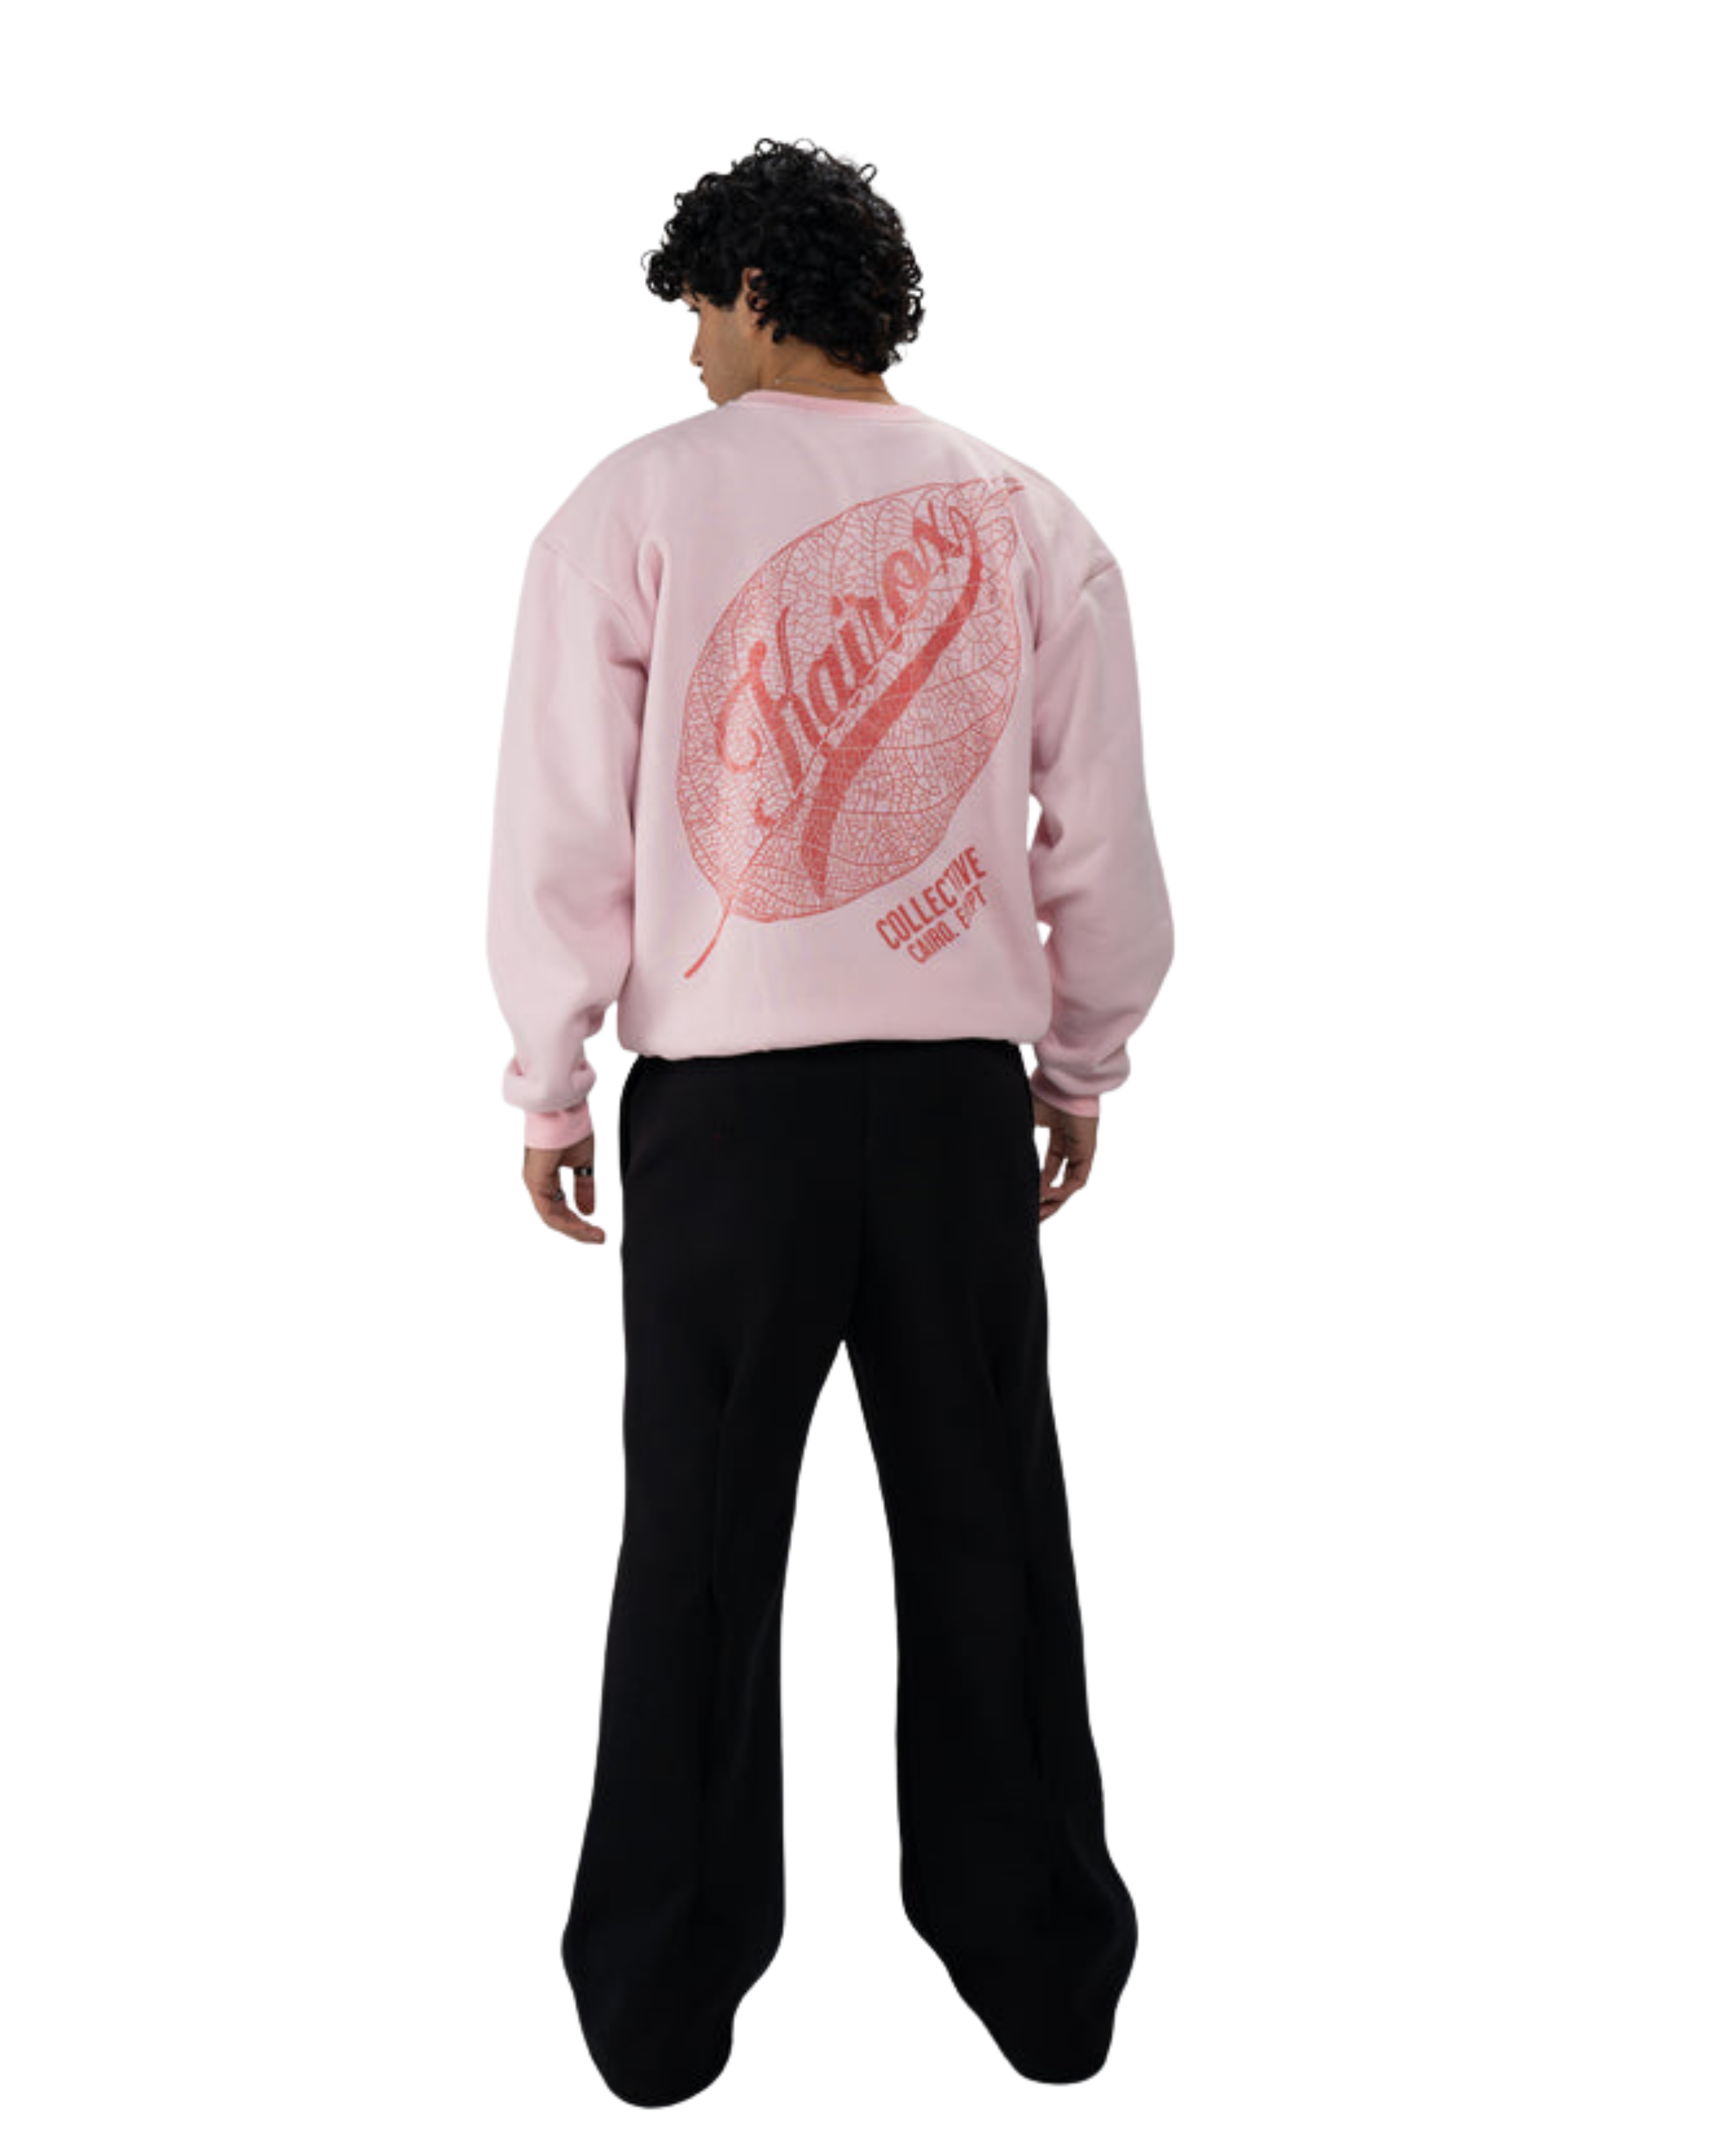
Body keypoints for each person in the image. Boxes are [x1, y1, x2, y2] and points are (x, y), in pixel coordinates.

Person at [485, 136, 1175, 2108]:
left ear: (760, 291)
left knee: (700, 1534)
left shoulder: (629, 510)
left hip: (726, 1123)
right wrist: (1078, 1062)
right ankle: (1042, 1965)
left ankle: (659, 1990)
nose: (693, 353)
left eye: (701, 310)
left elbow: (564, 823)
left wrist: (548, 1072)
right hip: (952, 1108)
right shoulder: (1028, 513)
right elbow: (1102, 840)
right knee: (989, 1518)